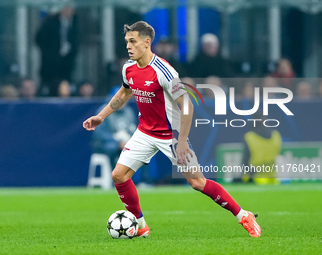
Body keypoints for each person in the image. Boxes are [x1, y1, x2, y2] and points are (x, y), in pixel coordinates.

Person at [83, 21, 261, 238]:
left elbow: (186, 104)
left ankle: (243, 215)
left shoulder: (165, 72)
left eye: (133, 41)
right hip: (145, 132)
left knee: (197, 183)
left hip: (172, 135)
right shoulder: (128, 68)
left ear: (147, 42)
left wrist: (183, 140)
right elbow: (123, 93)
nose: (128, 46)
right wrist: (100, 117)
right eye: (127, 42)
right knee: (119, 175)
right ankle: (140, 226)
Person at [35, 4, 78, 97]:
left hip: (66, 63)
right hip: (51, 63)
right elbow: (39, 39)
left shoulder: (74, 22)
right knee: (50, 86)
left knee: (66, 86)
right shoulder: (51, 22)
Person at [241, 111, 282, 184]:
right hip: (273, 179)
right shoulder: (276, 135)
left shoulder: (249, 137)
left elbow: (245, 161)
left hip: (256, 179)